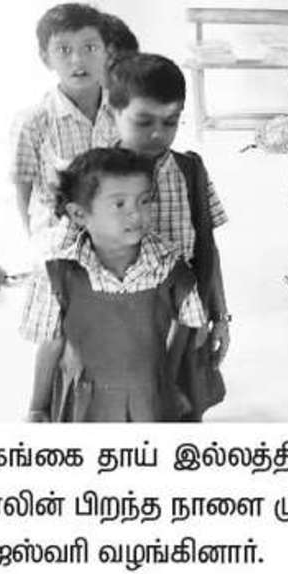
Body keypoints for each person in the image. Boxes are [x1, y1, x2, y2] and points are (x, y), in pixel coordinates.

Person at [21, 147, 206, 422]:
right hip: (82, 403)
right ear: (79, 214)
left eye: (144, 201)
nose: (136, 214)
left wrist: (169, 380)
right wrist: (37, 407)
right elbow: (50, 343)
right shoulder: (57, 272)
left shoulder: (169, 265)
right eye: (119, 204)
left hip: (150, 401)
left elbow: (191, 327)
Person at [109, 53, 231, 420]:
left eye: (171, 122)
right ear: (114, 113)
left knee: (185, 410)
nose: (158, 134)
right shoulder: (93, 177)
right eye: (143, 121)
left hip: (187, 320)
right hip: (119, 330)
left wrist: (219, 315)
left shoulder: (190, 170)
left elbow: (207, 247)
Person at [10, 3, 120, 235]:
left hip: (115, 239)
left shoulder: (124, 113)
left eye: (90, 47)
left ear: (107, 53)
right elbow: (23, 188)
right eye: (63, 50)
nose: (78, 60)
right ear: (45, 58)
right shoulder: (32, 123)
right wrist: (34, 242)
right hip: (59, 242)